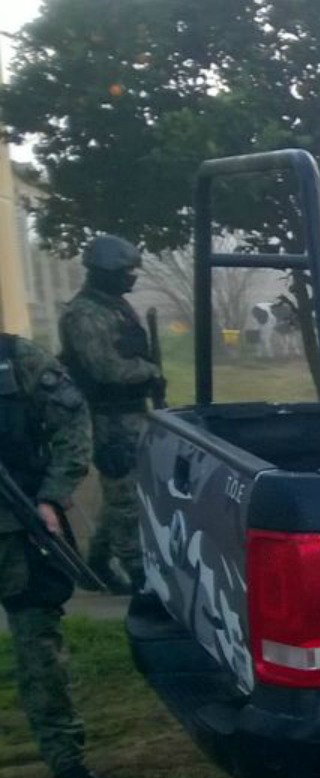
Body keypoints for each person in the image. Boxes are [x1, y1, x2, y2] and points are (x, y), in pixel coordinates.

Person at [0, 332, 110, 778]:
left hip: (19, 531)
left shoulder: (18, 359)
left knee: (40, 654)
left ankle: (66, 763)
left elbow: (72, 424)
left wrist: (51, 495)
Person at [58, 233, 163, 595]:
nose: (131, 277)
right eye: (125, 271)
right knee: (126, 498)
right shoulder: (84, 313)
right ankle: (137, 574)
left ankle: (98, 562)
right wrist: (150, 372)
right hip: (108, 419)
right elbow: (106, 368)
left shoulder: (113, 306)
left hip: (130, 412)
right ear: (104, 271)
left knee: (122, 493)